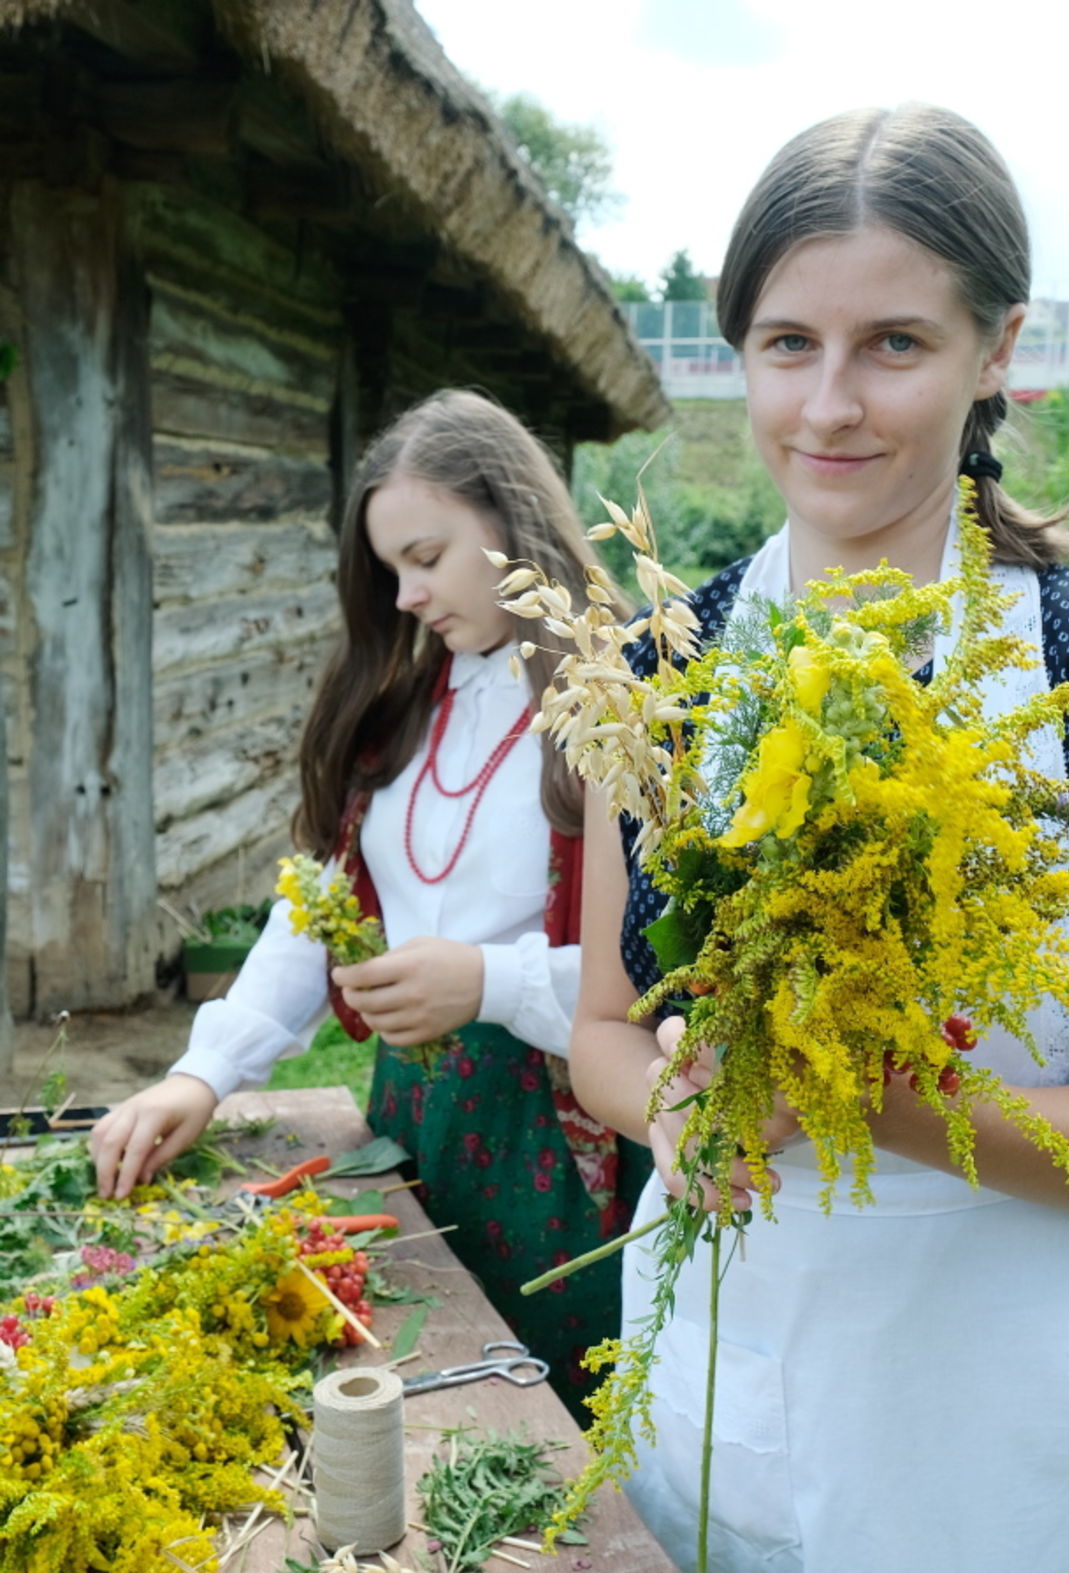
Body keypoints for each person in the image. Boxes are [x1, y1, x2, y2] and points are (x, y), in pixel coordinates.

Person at [570, 105, 1069, 1573]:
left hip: (990, 1453)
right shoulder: (661, 665)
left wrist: (873, 1096)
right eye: (789, 342)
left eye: (896, 344)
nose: (830, 405)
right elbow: (605, 1030)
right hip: (711, 1410)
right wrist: (681, 1113)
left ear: (996, 350)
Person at [89, 388, 649, 1412]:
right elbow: (319, 919)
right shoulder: (400, 713)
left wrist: (487, 979)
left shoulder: (620, 704)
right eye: (390, 569)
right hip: (410, 1113)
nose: (403, 597)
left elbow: (668, 978)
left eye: (425, 558)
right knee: (417, 1384)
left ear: (511, 522)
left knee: (547, 1414)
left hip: (559, 1134)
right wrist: (202, 1074)